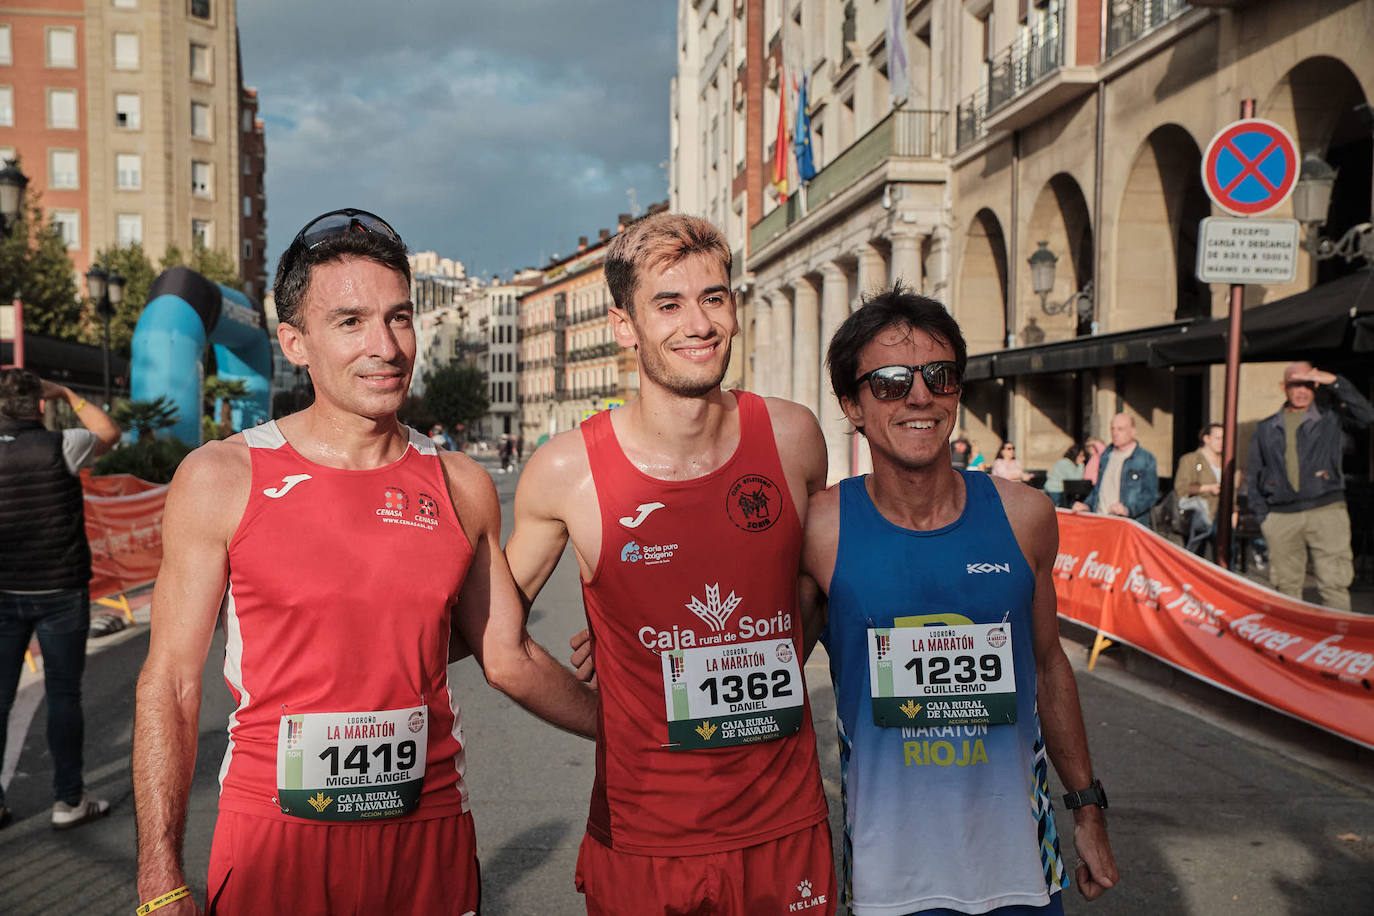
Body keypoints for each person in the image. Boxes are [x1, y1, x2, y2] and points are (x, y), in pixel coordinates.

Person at [132, 208, 597, 916]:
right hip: (275, 843)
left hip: (427, 838)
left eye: (400, 317)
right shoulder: (223, 477)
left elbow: (507, 656)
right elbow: (170, 681)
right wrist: (160, 876)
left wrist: (630, 729)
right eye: (350, 322)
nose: (385, 346)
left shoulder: (461, 484)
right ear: (294, 342)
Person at [506, 212, 836, 915]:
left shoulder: (793, 438)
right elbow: (497, 646)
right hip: (646, 836)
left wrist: (711, 657)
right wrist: (612, 713)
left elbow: (815, 595)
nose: (700, 323)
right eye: (669, 304)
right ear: (624, 325)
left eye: (714, 298)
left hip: (784, 824)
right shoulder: (566, 471)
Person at [801, 286, 1117, 915]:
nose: (919, 396)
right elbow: (762, 660)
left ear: (957, 392)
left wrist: (1087, 808)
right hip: (890, 877)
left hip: (1021, 866)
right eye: (890, 381)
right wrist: (628, 630)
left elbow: (1051, 666)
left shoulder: (1025, 514)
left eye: (939, 376)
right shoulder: (821, 530)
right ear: (852, 406)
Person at [0, 370, 120, 830]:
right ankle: (68, 800)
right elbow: (109, 432)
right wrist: (70, 391)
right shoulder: (61, 445)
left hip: (3, 592)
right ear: (40, 406)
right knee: (63, 696)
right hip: (59, 591)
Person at [1246, 362, 1374, 610]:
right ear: (1283, 387)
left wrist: (1336, 381)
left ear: (1315, 386)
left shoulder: (1331, 418)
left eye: (1307, 384)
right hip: (1281, 516)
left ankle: (1338, 644)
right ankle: (1293, 645)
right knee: (1286, 589)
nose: (1302, 391)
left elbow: (1367, 415)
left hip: (1327, 511)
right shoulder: (1266, 428)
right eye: (1296, 384)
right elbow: (1254, 473)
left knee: (1334, 584)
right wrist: (1264, 517)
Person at [1074, 415, 1157, 525]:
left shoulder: (1145, 459)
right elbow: (1098, 490)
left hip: (1126, 526)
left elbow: (1150, 496)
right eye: (1112, 428)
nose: (1115, 433)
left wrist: (1127, 510)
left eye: (1120, 429)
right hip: (1100, 521)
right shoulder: (1106, 455)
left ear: (1133, 432)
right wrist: (1086, 505)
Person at [1175, 424, 1224, 555]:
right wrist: (1208, 488)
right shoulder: (1190, 459)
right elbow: (1181, 488)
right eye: (1218, 438)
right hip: (1199, 515)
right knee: (1196, 555)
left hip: (1221, 515)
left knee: (1223, 557)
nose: (1222, 442)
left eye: (1224, 438)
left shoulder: (1226, 461)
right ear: (1206, 439)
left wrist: (1234, 510)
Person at [1044, 444, 1086, 508]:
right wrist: (1081, 465)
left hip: (1054, 490)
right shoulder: (1066, 463)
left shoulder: (1065, 462)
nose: (1083, 458)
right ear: (1074, 455)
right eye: (1081, 456)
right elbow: (1076, 479)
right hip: (1056, 491)